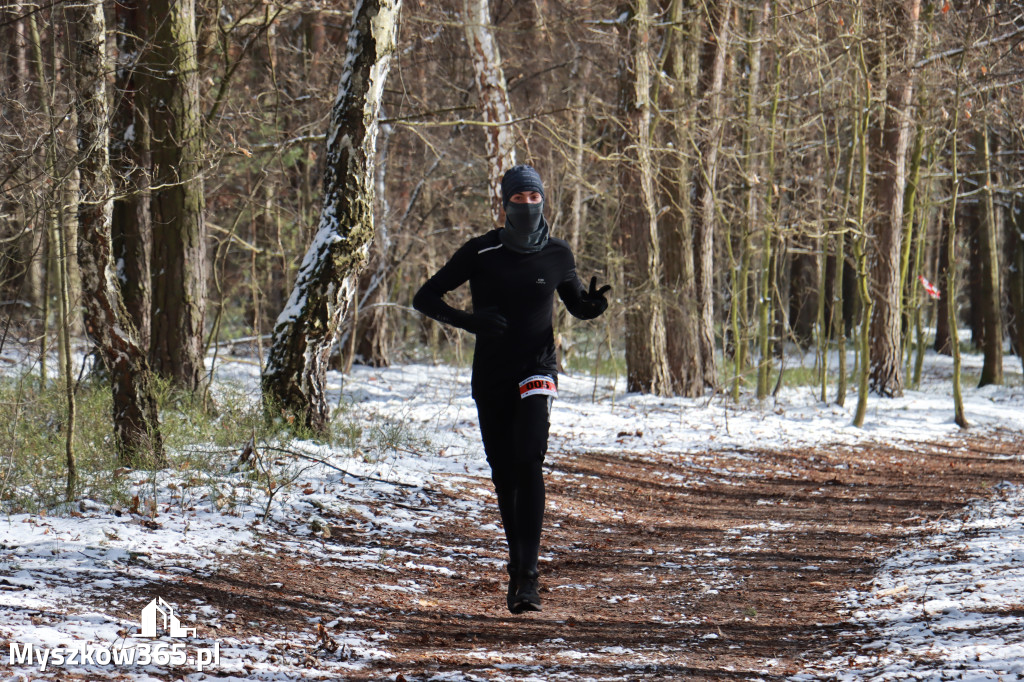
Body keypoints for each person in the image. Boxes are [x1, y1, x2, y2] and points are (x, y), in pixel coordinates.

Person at [413, 164, 611, 614]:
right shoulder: (480, 252)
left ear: (544, 200)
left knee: (529, 460)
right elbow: (425, 297)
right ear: (505, 204)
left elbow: (574, 303)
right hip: (492, 373)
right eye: (518, 200)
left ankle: (528, 576)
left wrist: (592, 306)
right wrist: (469, 321)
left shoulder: (558, 254)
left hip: (537, 368)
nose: (527, 206)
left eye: (533, 198)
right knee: (505, 473)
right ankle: (516, 567)